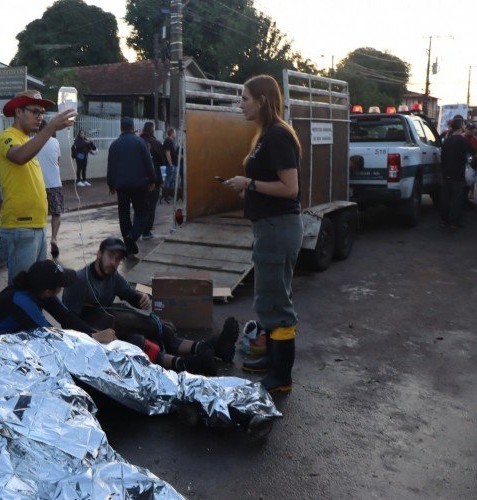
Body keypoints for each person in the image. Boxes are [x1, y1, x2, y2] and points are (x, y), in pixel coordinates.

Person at [222, 75, 303, 393]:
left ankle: (281, 377)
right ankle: (271, 359)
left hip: (278, 229)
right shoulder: (267, 135)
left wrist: (249, 184)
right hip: (270, 227)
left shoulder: (278, 136)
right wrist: (248, 190)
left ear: (262, 100)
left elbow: (290, 188)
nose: (240, 104)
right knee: (270, 296)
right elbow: (273, 186)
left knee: (276, 301)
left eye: (244, 98)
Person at [62, 238, 239, 376]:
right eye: (110, 256)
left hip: (110, 326)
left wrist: (142, 298)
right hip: (89, 335)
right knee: (135, 339)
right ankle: (186, 364)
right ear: (99, 254)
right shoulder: (79, 280)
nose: (114, 263)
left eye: (118, 259)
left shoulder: (113, 277)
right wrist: (94, 335)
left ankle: (208, 347)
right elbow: (68, 323)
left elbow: (132, 297)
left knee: (141, 329)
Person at [0, 90, 77, 284]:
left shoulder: (27, 139)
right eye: (35, 112)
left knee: (38, 288)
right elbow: (20, 156)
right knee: (22, 291)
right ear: (18, 112)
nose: (40, 117)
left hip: (36, 226)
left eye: (42, 113)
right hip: (20, 226)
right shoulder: (7, 136)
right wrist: (50, 129)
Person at [0, 260, 117, 345]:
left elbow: (66, 317)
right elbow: (51, 336)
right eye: (60, 286)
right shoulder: (21, 301)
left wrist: (91, 333)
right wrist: (93, 337)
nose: (62, 288)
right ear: (48, 291)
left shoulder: (39, 288)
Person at [107, 116, 158, 256]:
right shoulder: (140, 142)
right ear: (133, 127)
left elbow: (111, 167)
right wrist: (152, 180)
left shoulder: (115, 145)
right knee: (142, 211)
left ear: (121, 128)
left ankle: (128, 242)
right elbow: (148, 163)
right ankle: (132, 236)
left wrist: (111, 184)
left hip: (121, 186)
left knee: (123, 214)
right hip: (139, 184)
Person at [35, 120, 64, 258]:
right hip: (54, 182)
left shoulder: (31, 141)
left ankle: (40, 242)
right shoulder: (55, 142)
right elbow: (57, 160)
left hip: (37, 183)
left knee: (39, 214)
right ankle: (54, 238)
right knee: (56, 213)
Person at [439, 117, 473, 230]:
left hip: (446, 173)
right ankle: (454, 222)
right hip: (458, 174)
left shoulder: (447, 140)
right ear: (461, 126)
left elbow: (442, 157)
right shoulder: (463, 140)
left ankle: (444, 220)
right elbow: (474, 152)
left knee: (446, 197)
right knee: (456, 199)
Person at [140, 122, 167, 240]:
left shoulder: (138, 142)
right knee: (151, 206)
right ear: (152, 130)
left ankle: (138, 229)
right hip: (153, 181)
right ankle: (146, 231)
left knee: (139, 206)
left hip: (138, 180)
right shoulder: (156, 144)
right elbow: (163, 162)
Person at [162, 127, 178, 202]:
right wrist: (170, 164)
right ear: (172, 133)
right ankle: (166, 196)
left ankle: (170, 195)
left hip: (173, 164)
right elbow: (167, 153)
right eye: (175, 132)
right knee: (168, 180)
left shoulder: (171, 141)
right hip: (170, 165)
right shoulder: (168, 140)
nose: (176, 134)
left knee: (172, 180)